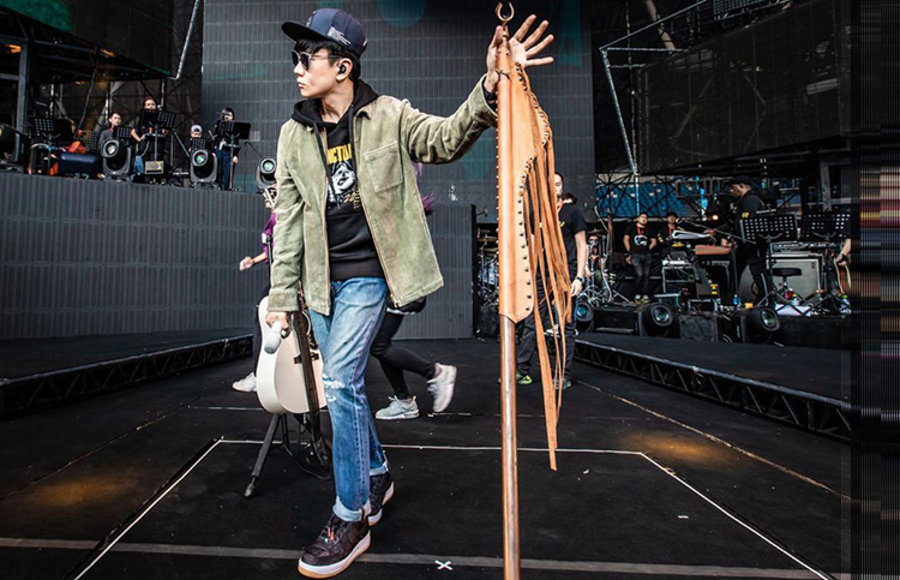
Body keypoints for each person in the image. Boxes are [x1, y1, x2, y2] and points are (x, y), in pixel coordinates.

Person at [264, 8, 553, 578]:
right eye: (296, 57)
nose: (297, 67)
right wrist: (281, 295)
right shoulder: (293, 134)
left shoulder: (390, 115)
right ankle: (376, 473)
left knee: (340, 381)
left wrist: (490, 85)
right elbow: (290, 220)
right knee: (344, 384)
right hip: (320, 285)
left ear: (342, 66)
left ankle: (351, 516)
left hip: (369, 274)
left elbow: (444, 140)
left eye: (308, 56)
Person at [370, 195, 456, 420]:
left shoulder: (397, 212)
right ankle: (405, 400)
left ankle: (435, 373)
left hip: (401, 284)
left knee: (379, 346)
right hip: (395, 283)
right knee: (380, 344)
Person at [515, 172, 586, 391]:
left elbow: (582, 245)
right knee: (532, 322)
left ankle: (564, 374)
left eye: (558, 184)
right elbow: (531, 247)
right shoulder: (537, 214)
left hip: (566, 275)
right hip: (541, 275)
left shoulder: (572, 212)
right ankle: (522, 371)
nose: (555, 187)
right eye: (551, 184)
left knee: (566, 326)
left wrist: (579, 277)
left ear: (562, 187)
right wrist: (527, 275)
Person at [233, 189, 277, 393]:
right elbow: (273, 249)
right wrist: (254, 260)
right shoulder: (275, 217)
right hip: (276, 274)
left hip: (283, 277)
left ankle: (259, 376)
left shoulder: (282, 217)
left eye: (270, 193)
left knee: (261, 321)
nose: (266, 198)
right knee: (263, 320)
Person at [624, 211, 656, 302]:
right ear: (638, 219)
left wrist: (648, 248)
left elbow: (654, 241)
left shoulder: (649, 229)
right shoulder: (631, 228)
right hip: (635, 254)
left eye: (646, 217)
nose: (644, 219)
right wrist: (629, 252)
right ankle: (637, 293)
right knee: (639, 274)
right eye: (642, 217)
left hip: (647, 254)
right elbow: (625, 239)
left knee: (647, 275)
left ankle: (645, 294)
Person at [212, 108, 240, 190]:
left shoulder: (234, 126)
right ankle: (218, 186)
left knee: (228, 171)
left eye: (231, 115)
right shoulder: (219, 123)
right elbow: (214, 137)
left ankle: (227, 188)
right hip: (220, 149)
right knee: (219, 169)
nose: (229, 117)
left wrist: (235, 155)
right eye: (227, 115)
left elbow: (236, 142)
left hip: (229, 151)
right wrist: (213, 151)